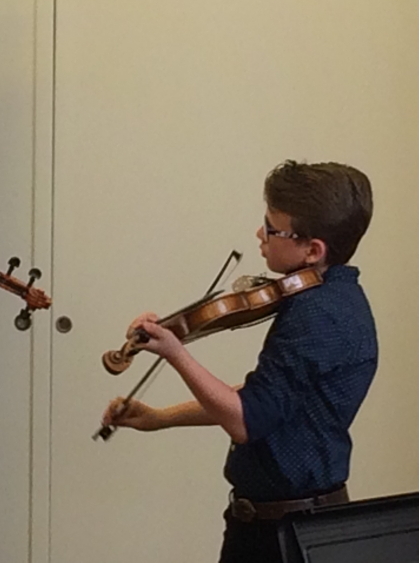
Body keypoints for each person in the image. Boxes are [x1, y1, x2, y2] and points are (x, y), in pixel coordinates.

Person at [102, 160, 377, 563]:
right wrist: (160, 418)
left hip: (291, 538)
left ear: (313, 250)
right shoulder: (326, 299)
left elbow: (245, 420)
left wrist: (175, 353)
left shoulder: (320, 314)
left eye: (271, 227)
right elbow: (262, 401)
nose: (259, 234)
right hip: (272, 526)